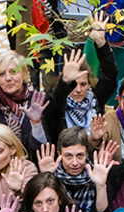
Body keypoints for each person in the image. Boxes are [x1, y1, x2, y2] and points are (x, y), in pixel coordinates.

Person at [43, 13, 118, 145]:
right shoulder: (57, 104)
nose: (78, 90)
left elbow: (110, 76)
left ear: (90, 84)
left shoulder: (96, 98)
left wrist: (101, 43)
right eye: (73, 84)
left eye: (83, 84)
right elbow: (55, 101)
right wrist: (65, 81)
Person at [0, 50, 50, 154]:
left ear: (24, 74)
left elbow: (45, 149)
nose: (8, 78)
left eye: (13, 72)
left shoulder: (36, 100)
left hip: (29, 165)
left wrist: (36, 124)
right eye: (1, 74)